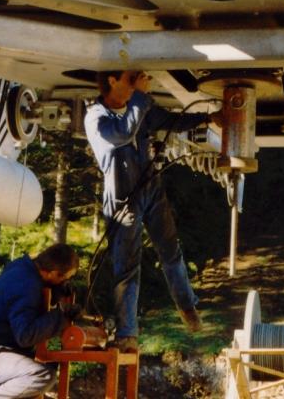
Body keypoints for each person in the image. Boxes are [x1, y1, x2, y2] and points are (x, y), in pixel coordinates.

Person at [84, 70, 219, 352]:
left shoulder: (138, 108)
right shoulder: (96, 118)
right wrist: (141, 97)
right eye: (131, 79)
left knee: (171, 252)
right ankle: (127, 334)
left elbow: (170, 121)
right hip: (123, 200)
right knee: (127, 268)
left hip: (151, 190)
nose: (138, 83)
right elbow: (123, 133)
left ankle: (187, 307)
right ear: (112, 80)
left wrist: (208, 118)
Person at [0, 244, 81, 399]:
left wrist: (56, 292)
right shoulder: (26, 284)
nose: (65, 282)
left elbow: (31, 318)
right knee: (42, 376)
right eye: (64, 278)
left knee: (36, 381)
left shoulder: (23, 269)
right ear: (53, 273)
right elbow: (26, 336)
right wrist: (61, 316)